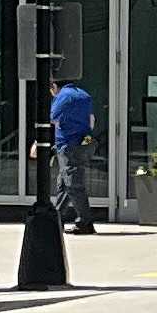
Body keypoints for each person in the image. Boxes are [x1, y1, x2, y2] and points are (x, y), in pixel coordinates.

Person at [47, 71, 96, 235]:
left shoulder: (63, 97)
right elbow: (91, 120)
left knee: (73, 185)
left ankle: (85, 222)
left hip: (68, 144)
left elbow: (53, 118)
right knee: (64, 183)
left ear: (54, 86)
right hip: (85, 142)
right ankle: (57, 219)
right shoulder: (84, 95)